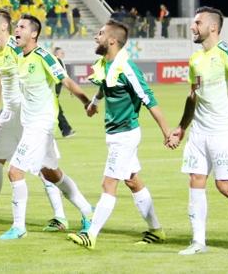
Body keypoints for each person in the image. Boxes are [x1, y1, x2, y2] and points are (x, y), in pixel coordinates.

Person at [0, 9, 83, 234]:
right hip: (9, 115)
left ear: (4, 26)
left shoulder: (19, 49)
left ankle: (60, 216)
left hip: (29, 117)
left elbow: (40, 70)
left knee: (44, 168)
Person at [168, 6, 228, 255]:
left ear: (212, 27)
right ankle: (198, 241)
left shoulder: (227, 53)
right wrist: (181, 127)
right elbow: (193, 97)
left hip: (222, 130)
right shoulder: (195, 59)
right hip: (198, 132)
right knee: (195, 180)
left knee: (225, 186)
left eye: (197, 23)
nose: (192, 27)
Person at [68, 20, 170, 250]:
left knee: (108, 184)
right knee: (133, 181)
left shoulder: (127, 67)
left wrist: (167, 132)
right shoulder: (108, 64)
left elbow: (149, 99)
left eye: (101, 33)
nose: (96, 36)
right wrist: (94, 103)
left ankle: (90, 234)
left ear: (112, 40)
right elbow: (105, 85)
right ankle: (157, 230)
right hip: (116, 134)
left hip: (125, 135)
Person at [0, 15, 93, 240]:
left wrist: (86, 101)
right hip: (32, 125)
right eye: (16, 26)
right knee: (51, 173)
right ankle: (88, 212)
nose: (16, 30)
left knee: (15, 171)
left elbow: (66, 80)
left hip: (40, 125)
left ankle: (19, 227)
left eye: (21, 27)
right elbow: (3, 39)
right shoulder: (20, 55)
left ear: (34, 34)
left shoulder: (43, 57)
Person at [54, 47, 75, 137]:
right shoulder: (58, 61)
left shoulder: (53, 61)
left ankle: (66, 130)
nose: (63, 54)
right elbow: (63, 77)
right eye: (61, 53)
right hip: (52, 93)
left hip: (51, 93)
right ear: (56, 54)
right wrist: (71, 88)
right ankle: (66, 131)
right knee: (57, 111)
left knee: (57, 111)